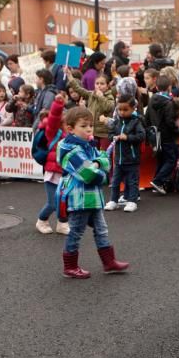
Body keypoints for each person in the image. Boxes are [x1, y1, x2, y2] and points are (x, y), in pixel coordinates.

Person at [58, 107, 129, 278]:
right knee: (76, 231)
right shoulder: (69, 149)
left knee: (102, 229)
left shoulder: (88, 146)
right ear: (70, 128)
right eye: (83, 126)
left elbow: (103, 166)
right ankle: (70, 266)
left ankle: (109, 262)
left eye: (90, 125)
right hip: (79, 198)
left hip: (93, 197)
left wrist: (98, 165)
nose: (89, 129)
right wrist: (99, 165)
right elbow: (89, 174)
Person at [35, 98, 70, 236]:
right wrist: (58, 105)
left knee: (64, 202)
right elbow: (53, 119)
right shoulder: (53, 133)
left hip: (65, 173)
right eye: (67, 123)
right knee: (52, 203)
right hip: (52, 173)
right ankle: (41, 220)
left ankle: (62, 223)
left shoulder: (70, 136)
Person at [105, 95, 145, 213]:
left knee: (132, 181)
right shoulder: (117, 122)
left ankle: (132, 201)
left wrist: (127, 137)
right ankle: (113, 200)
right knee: (115, 181)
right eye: (119, 109)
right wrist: (114, 137)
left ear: (133, 109)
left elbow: (141, 136)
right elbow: (110, 134)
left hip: (132, 159)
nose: (122, 112)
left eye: (125, 109)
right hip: (119, 159)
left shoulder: (136, 121)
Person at [146, 74, 179, 195]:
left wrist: (149, 133)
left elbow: (147, 118)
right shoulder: (168, 102)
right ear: (169, 86)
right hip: (166, 135)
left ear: (157, 86)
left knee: (161, 159)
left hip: (155, 134)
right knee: (171, 159)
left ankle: (156, 182)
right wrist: (178, 131)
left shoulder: (152, 99)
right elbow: (170, 121)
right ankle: (158, 181)